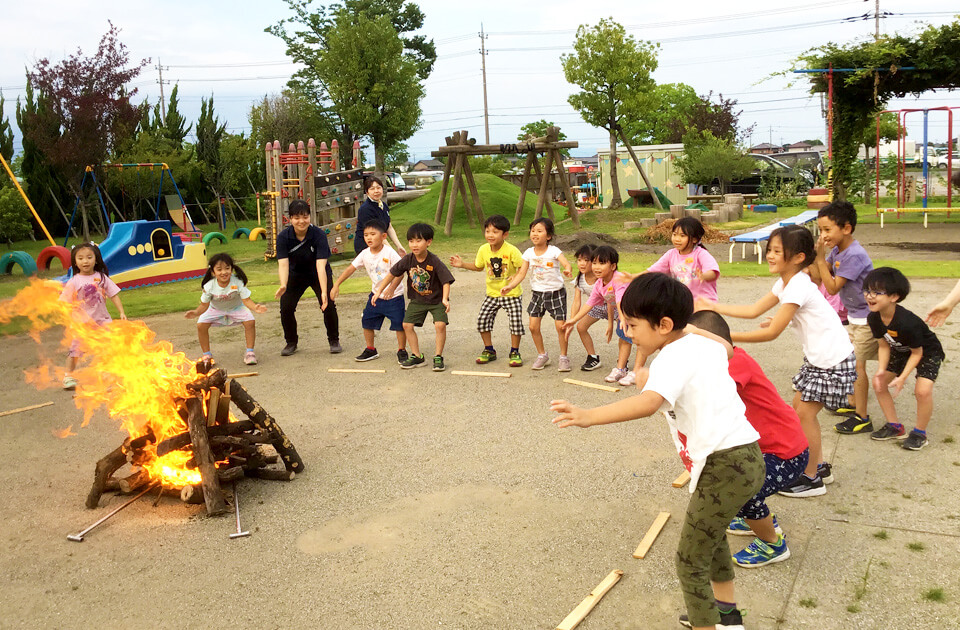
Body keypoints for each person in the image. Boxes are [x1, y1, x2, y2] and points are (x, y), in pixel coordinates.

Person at [551, 273, 763, 630]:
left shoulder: (672, 359)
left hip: (722, 465)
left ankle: (709, 624)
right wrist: (686, 327)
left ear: (664, 324)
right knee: (711, 541)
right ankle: (726, 614)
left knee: (689, 560)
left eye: (632, 325)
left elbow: (648, 403)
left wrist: (589, 416)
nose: (628, 333)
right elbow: (726, 347)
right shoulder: (704, 345)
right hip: (746, 457)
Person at [697, 225, 855, 498]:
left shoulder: (797, 286)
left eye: (777, 251)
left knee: (804, 415)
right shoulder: (787, 282)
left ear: (797, 257)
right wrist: (712, 307)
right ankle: (817, 465)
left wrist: (717, 334)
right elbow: (754, 310)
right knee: (799, 411)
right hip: (820, 359)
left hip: (832, 360)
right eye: (769, 250)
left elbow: (770, 333)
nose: (770, 255)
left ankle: (811, 478)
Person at [688, 310, 809, 569]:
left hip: (786, 454)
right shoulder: (724, 359)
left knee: (740, 490)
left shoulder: (733, 364)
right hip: (771, 448)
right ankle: (755, 518)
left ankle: (773, 544)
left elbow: (707, 395)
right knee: (739, 487)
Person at [810, 200, 877, 435]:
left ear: (846, 228)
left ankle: (863, 417)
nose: (823, 235)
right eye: (821, 230)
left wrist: (819, 257)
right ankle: (853, 403)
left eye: (827, 230)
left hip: (868, 318)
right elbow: (820, 274)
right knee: (851, 363)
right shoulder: (839, 250)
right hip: (855, 316)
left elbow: (832, 286)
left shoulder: (853, 255)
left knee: (858, 366)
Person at [864, 267, 945, 450]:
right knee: (879, 383)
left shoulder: (907, 322)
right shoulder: (873, 318)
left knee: (922, 391)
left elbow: (917, 353)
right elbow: (884, 345)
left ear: (894, 297)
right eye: (867, 290)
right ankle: (895, 426)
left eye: (877, 292)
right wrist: (881, 371)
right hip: (900, 350)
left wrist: (902, 378)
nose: (870, 296)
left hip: (927, 351)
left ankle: (919, 433)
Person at [373, 222, 454, 371]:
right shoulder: (408, 259)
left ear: (428, 242)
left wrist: (445, 298)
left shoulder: (434, 261)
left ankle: (438, 356)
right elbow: (392, 273)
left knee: (440, 325)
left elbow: (446, 281)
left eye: (418, 240)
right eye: (411, 241)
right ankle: (417, 356)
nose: (414, 245)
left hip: (436, 300)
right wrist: (379, 290)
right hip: (418, 300)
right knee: (406, 325)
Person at [449, 214, 525, 367]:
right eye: (487, 231)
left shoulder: (511, 250)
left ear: (505, 234)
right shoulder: (483, 249)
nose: (490, 235)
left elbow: (522, 267)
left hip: (511, 293)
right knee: (483, 321)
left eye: (495, 232)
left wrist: (515, 277)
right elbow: (478, 267)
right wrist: (462, 264)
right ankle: (489, 350)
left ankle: (515, 352)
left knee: (515, 323)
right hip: (492, 293)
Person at [499, 218, 573, 371]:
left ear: (548, 236)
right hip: (537, 294)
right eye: (533, 231)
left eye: (539, 231)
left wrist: (567, 269)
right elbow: (521, 273)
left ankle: (563, 357)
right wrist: (510, 286)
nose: (535, 234)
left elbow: (566, 263)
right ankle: (542, 355)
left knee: (560, 327)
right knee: (533, 327)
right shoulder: (528, 253)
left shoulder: (554, 251)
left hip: (555, 293)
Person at [331, 220, 408, 364]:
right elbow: (350, 269)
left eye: (373, 234)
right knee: (366, 321)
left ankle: (401, 350)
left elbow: (401, 272)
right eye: (366, 235)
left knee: (399, 324)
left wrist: (391, 289)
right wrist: (337, 284)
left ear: (384, 236)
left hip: (394, 297)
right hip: (375, 296)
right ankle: (371, 349)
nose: (369, 238)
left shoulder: (389, 252)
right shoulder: (364, 254)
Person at [275, 199, 341, 356]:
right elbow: (283, 264)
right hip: (295, 274)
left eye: (305, 217)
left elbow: (320, 266)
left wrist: (324, 291)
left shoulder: (318, 235)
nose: (301, 221)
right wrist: (283, 284)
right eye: (297, 218)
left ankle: (334, 340)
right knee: (286, 307)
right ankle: (291, 342)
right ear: (290, 219)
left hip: (318, 273)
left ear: (310, 217)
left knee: (328, 303)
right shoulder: (283, 237)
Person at [59, 242, 126, 390]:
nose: (85, 261)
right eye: (81, 258)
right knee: (75, 351)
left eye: (89, 257)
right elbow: (64, 302)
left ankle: (108, 376)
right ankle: (68, 377)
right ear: (75, 262)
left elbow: (114, 295)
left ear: (96, 260)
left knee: (108, 348)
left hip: (102, 321)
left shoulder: (101, 278)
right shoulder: (74, 281)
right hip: (82, 324)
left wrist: (121, 311)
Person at [563, 245, 634, 384]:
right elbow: (589, 303)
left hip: (633, 309)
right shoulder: (599, 283)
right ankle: (621, 368)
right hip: (620, 310)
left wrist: (621, 319)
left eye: (602, 263)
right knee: (625, 337)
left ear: (613, 266)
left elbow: (620, 301)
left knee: (629, 338)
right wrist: (573, 320)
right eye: (594, 263)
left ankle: (627, 368)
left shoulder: (618, 279)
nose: (596, 267)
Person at [185, 253, 267, 366]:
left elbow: (246, 300)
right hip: (215, 309)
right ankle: (207, 355)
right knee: (201, 325)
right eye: (219, 269)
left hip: (236, 308)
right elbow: (204, 305)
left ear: (231, 269)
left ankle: (250, 353)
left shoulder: (238, 282)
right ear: (213, 272)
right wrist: (195, 312)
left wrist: (255, 307)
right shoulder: (209, 286)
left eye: (227, 268)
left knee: (250, 321)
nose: (224, 272)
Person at [646, 217, 720, 302]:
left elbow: (713, 272)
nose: (677, 239)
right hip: (683, 304)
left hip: (704, 304)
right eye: (674, 234)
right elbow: (652, 271)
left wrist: (703, 276)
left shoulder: (701, 254)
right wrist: (632, 277)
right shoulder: (671, 254)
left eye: (682, 236)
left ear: (695, 239)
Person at [569, 244, 604, 372]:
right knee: (581, 327)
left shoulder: (602, 276)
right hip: (596, 307)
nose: (582, 264)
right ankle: (593, 357)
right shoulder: (580, 278)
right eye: (579, 260)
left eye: (586, 260)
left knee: (624, 332)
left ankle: (624, 363)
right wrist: (571, 321)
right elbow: (576, 301)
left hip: (614, 307)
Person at [354, 176, 406, 255]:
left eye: (378, 188)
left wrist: (399, 246)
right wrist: (391, 252)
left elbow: (389, 227)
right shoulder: (365, 209)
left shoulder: (383, 205)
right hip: (367, 246)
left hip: (380, 243)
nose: (376, 191)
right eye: (372, 189)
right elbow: (376, 233)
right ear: (367, 192)